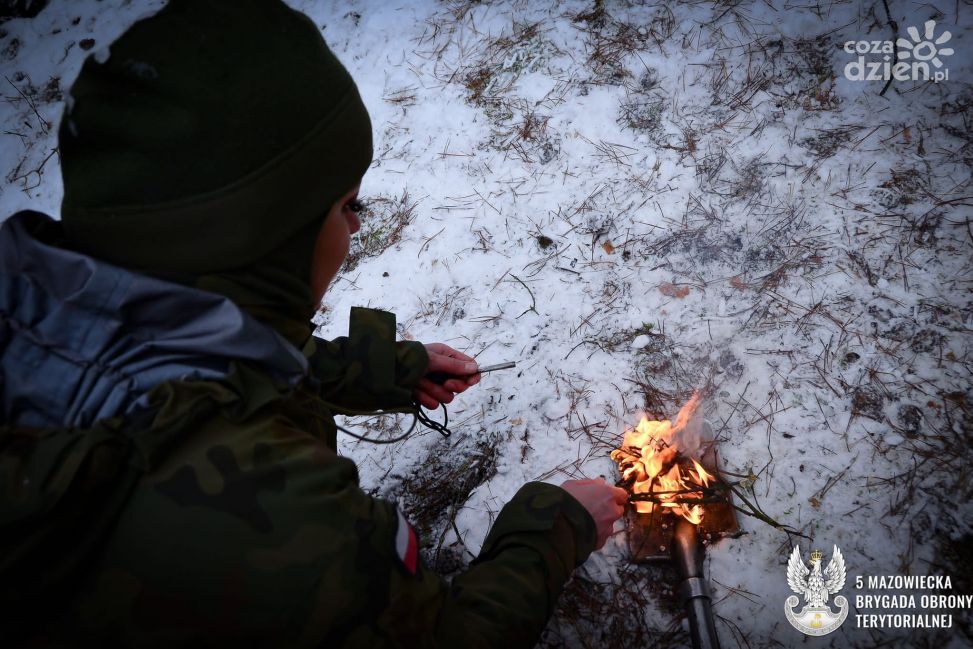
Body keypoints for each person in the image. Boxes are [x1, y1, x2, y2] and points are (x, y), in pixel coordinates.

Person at [0, 0, 627, 646]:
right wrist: (554, 527)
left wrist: (381, 368)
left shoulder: (41, 307)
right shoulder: (266, 518)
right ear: (268, 230)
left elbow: (190, 365)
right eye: (346, 205)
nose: (356, 228)